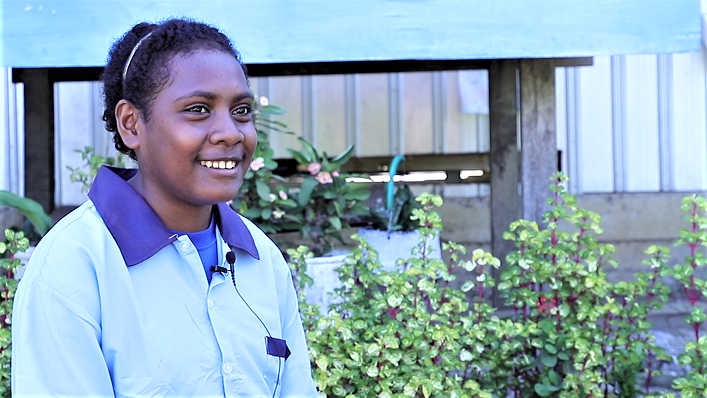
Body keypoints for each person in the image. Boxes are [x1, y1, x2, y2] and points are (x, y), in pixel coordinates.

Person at [12, 18, 319, 398]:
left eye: (241, 110)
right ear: (131, 124)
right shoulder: (72, 269)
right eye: (198, 109)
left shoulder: (262, 260)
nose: (231, 132)